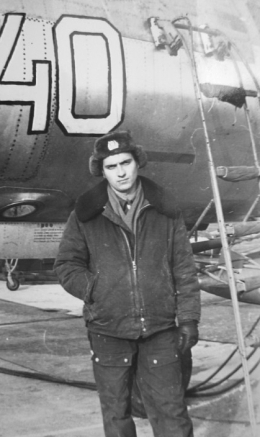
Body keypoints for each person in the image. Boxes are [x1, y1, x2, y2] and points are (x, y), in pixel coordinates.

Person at [54, 130, 201, 437]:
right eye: (111, 166)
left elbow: (184, 269)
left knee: (172, 414)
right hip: (108, 330)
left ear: (138, 163)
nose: (120, 172)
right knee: (117, 416)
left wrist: (188, 319)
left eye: (126, 162)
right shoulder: (85, 214)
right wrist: (97, 290)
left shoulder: (165, 210)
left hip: (160, 329)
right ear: (102, 170)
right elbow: (66, 265)